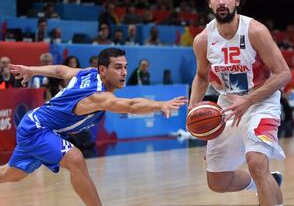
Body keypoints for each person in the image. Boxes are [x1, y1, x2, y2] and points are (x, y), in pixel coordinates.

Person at [1, 47, 186, 206]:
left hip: (38, 126)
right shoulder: (98, 96)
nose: (123, 73)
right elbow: (130, 105)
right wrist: (160, 105)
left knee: (11, 174)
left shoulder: (89, 72)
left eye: (125, 67)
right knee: (75, 159)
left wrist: (32, 70)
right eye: (118, 67)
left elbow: (60, 70)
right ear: (103, 70)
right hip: (38, 128)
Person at [189, 0, 291, 206]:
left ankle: (263, 179)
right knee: (217, 182)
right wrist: (193, 107)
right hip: (227, 104)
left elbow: (284, 73)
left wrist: (248, 101)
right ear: (210, 2)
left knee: (256, 163)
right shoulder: (203, 39)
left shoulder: (254, 31)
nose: (221, 1)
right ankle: (266, 183)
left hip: (261, 102)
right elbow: (202, 76)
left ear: (237, 0)